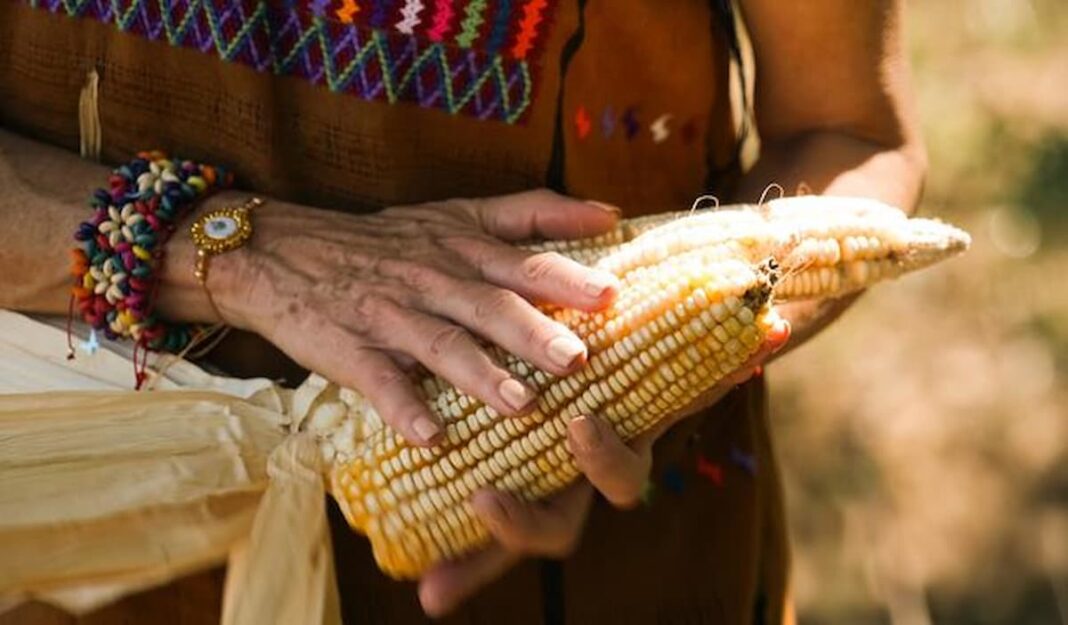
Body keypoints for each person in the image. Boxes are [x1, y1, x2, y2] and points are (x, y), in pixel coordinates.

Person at [0, 0, 926, 622]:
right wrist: (231, 254)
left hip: (580, 555)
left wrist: (636, 377)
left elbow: (847, 128)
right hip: (67, 530)